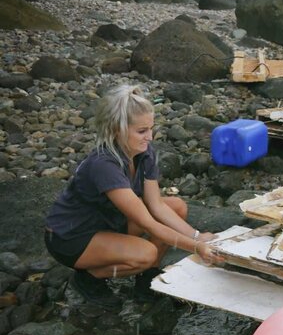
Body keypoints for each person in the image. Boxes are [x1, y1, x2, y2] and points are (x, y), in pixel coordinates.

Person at [44, 84, 222, 308]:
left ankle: (147, 277)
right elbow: (148, 222)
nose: (149, 137)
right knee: (145, 253)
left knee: (176, 206)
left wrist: (197, 236)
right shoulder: (104, 165)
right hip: (71, 236)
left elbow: (155, 205)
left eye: (150, 129)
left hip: (108, 221)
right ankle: (88, 278)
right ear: (117, 130)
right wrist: (197, 248)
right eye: (141, 131)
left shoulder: (144, 152)